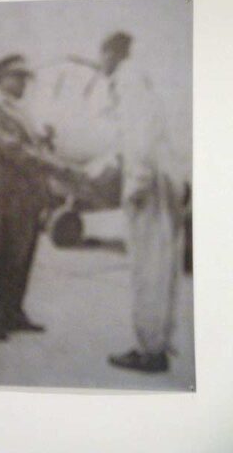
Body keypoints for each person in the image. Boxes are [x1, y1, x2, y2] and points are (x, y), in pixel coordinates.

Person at [99, 32, 185, 373]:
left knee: (147, 269)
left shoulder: (129, 83)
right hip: (160, 179)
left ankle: (150, 350)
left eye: (102, 55)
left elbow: (139, 139)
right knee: (159, 268)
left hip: (148, 185)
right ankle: (157, 343)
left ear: (111, 53)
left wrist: (136, 183)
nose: (100, 63)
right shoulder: (139, 81)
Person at [0, 55, 71, 342]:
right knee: (7, 259)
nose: (23, 83)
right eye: (17, 77)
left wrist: (43, 140)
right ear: (1, 80)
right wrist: (57, 165)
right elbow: (15, 150)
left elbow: (30, 148)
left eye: (24, 77)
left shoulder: (20, 112)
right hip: (6, 198)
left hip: (27, 199)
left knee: (23, 259)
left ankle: (13, 313)